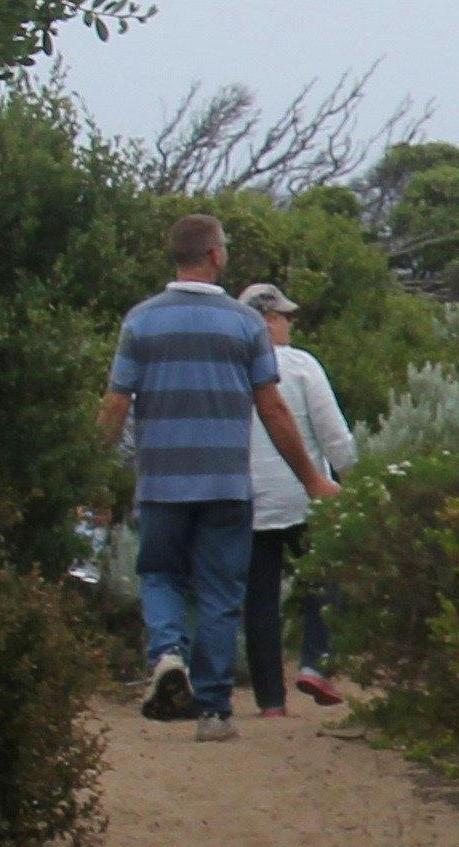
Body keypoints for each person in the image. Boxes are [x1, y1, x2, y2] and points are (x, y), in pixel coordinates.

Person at [99, 213, 333, 739]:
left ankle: (165, 654)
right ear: (215, 255)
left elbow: (116, 403)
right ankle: (212, 710)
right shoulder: (244, 323)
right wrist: (311, 478)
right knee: (220, 591)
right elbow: (271, 407)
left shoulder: (140, 321)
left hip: (160, 480)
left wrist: (91, 469)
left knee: (159, 574)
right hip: (227, 482)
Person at [234, 280, 357, 713]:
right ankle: (314, 664)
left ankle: (270, 700)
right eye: (285, 316)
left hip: (249, 502)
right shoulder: (301, 365)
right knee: (325, 581)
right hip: (307, 497)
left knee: (260, 600)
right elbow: (333, 433)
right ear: (268, 321)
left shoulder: (230, 367)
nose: (289, 324)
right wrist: (353, 479)